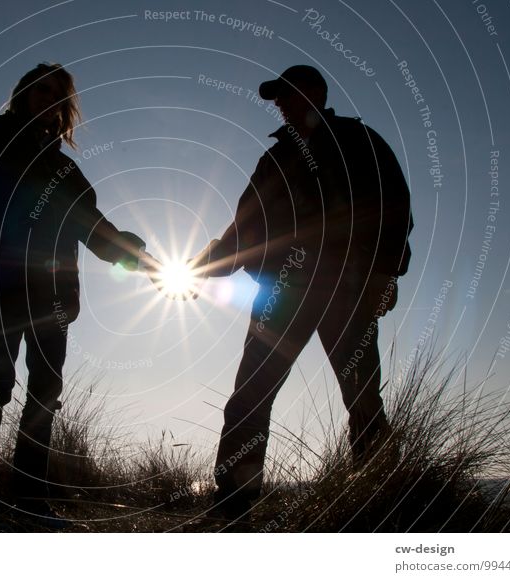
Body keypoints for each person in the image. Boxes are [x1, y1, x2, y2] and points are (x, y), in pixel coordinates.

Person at [190, 65, 413, 527]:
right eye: (277, 98)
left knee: (363, 396)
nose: (280, 104)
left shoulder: (358, 140)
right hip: (282, 294)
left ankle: (383, 501)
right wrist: (201, 265)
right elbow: (245, 227)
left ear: (314, 92)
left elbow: (396, 208)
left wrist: (383, 276)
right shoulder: (275, 159)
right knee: (250, 395)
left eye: (287, 94)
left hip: (346, 288)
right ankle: (233, 502)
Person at [0, 63, 147, 527]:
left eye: (55, 93)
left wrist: (137, 258)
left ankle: (30, 503)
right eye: (38, 89)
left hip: (53, 295)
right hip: (0, 283)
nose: (45, 98)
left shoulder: (65, 168)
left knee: (46, 391)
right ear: (24, 94)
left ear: (63, 106)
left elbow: (91, 225)